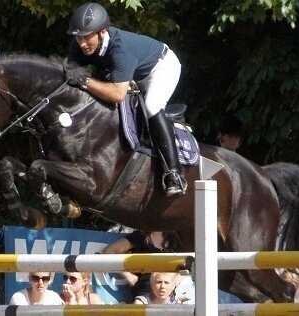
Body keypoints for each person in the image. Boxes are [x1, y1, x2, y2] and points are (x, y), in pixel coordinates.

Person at [65, 2, 186, 197]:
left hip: (161, 68)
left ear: (102, 32)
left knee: (152, 105)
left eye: (87, 37)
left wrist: (86, 81)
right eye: (78, 38)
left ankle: (174, 174)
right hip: (131, 73)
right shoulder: (80, 45)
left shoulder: (119, 48)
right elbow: (70, 73)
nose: (82, 43)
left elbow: (117, 94)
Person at [102, 230, 181, 301]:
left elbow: (186, 262)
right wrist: (127, 275)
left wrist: (176, 280)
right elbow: (108, 251)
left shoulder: (174, 238)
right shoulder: (140, 236)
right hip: (145, 290)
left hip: (167, 291)